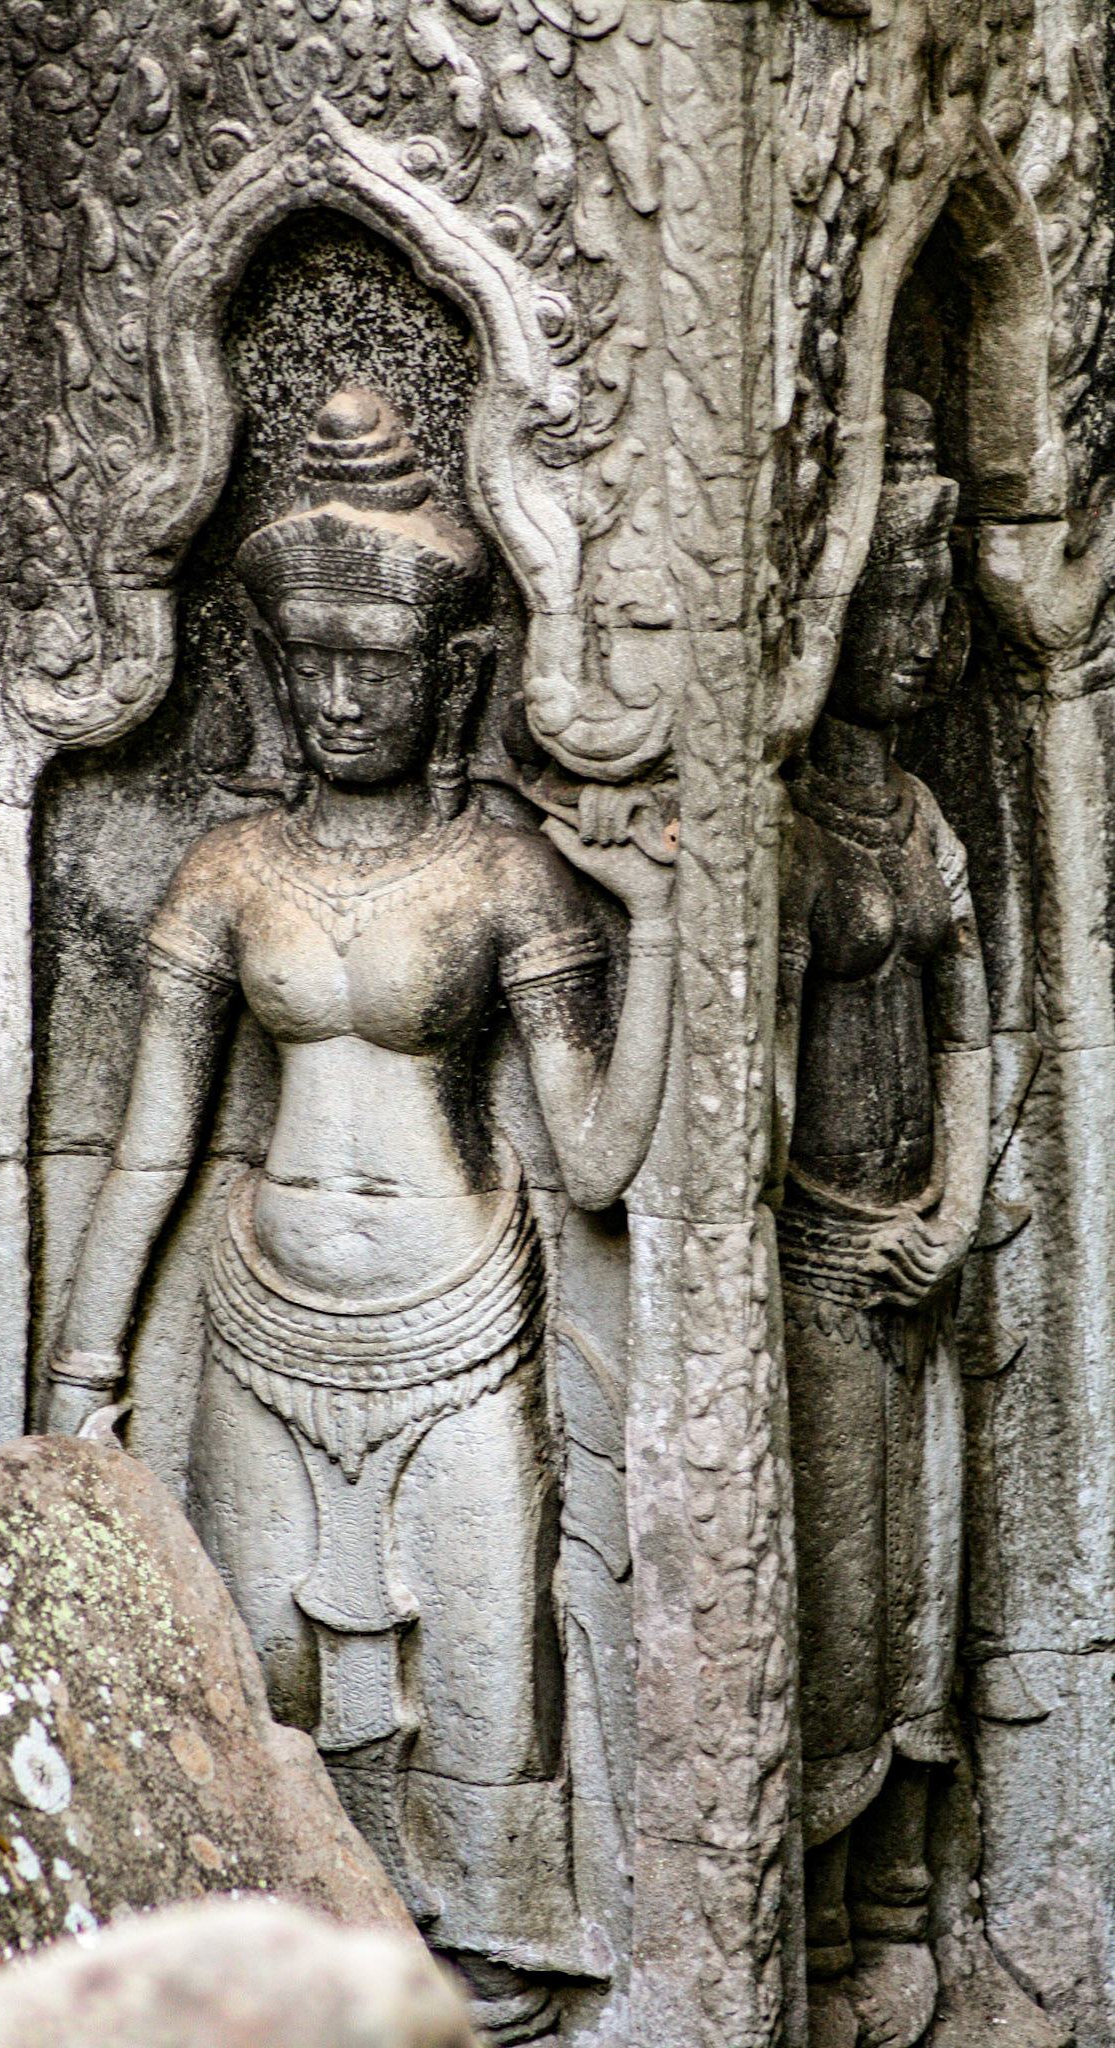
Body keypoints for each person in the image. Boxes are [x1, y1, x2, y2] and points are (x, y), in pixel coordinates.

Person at [46, 388, 676, 2040]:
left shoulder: (506, 875)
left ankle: (484, 1972)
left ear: (450, 677)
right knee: (263, 1673)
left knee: (480, 1675)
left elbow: (598, 1163)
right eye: (311, 663)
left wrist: (665, 924)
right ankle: (294, 1967)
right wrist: (80, 1376)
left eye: (376, 666)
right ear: (270, 670)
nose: (340, 698)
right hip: (261, 1324)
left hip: (459, 1321)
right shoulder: (227, 870)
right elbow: (150, 1151)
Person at [773, 391, 990, 2048]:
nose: (919, 638)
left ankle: (910, 1892)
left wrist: (957, 1205)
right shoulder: (780, 834)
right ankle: (824, 1917)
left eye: (931, 603)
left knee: (925, 1590)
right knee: (834, 1616)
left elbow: (973, 1029)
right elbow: (753, 1096)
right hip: (813, 1267)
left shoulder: (918, 819)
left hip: (920, 1254)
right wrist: (841, 1228)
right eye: (888, 605)